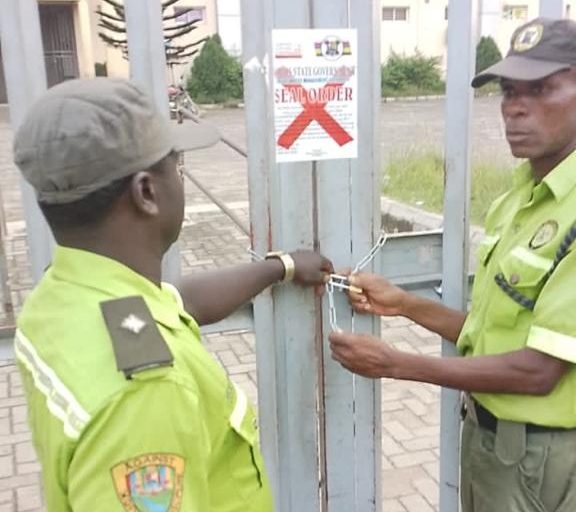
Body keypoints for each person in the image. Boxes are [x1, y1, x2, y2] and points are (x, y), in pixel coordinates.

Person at [12, 78, 333, 512]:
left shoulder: (62, 296)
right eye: (177, 168)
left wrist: (282, 266)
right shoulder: (148, 393)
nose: (180, 178)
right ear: (147, 192)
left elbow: (180, 301)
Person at [329, 17, 576, 512]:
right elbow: (488, 333)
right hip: (491, 444)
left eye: (541, 89)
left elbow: (538, 371)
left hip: (540, 456)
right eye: (508, 91)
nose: (515, 108)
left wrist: (395, 364)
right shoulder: (522, 195)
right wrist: (404, 305)